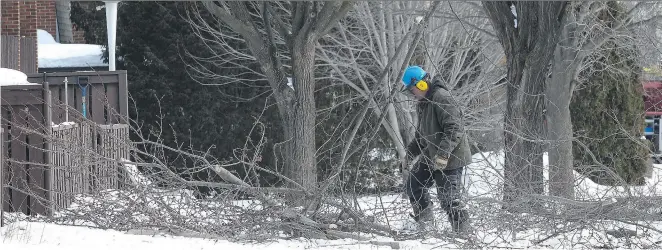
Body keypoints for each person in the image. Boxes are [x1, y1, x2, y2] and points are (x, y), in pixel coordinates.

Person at [401, 65, 473, 234]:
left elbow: (454, 129)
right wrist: (408, 156)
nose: (412, 95)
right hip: (431, 152)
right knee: (414, 184)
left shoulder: (442, 98)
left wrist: (443, 155)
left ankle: (464, 232)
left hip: (451, 155)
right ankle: (426, 223)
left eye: (413, 90)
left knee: (449, 198)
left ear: (422, 84)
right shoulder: (423, 104)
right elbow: (421, 135)